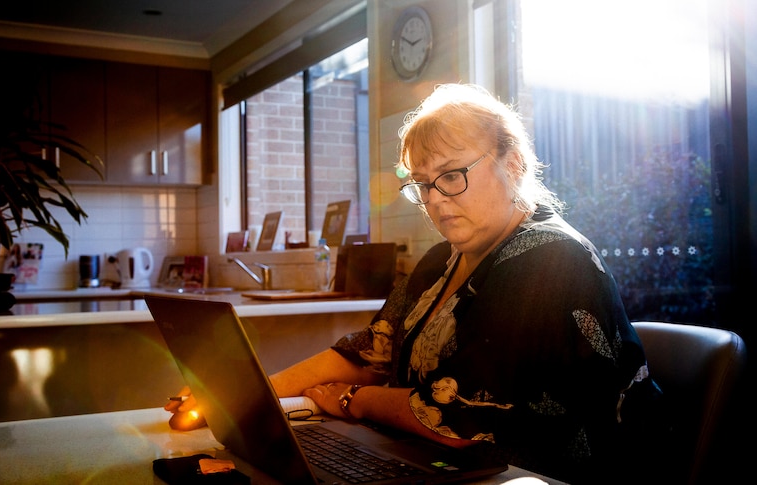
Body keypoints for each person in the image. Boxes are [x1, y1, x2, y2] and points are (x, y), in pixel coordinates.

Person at [166, 83, 668, 483]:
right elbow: (370, 351)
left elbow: (454, 420)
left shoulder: (549, 258)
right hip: (470, 471)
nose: (435, 199)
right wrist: (250, 397)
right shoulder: (440, 261)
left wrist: (348, 401)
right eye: (422, 184)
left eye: (451, 175)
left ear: (512, 164)